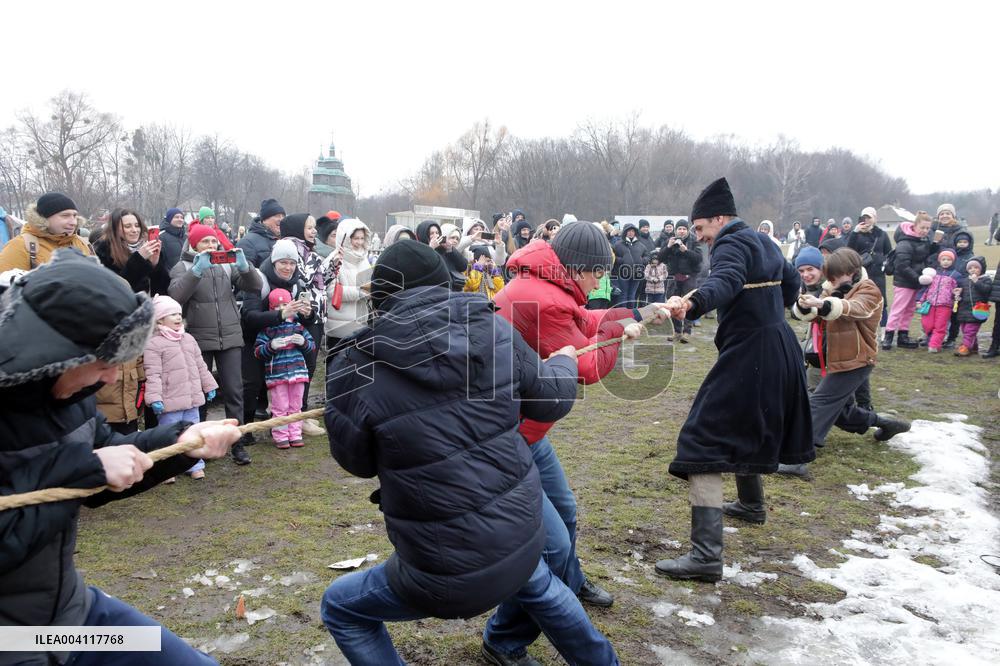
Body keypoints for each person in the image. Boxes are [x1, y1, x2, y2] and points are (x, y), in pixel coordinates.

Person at [320, 240, 619, 666]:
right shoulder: (493, 328)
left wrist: (345, 406)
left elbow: (358, 462)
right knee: (536, 578)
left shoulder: (355, 363)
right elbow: (549, 398)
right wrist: (564, 365)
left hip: (440, 568)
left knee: (340, 607)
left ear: (381, 295)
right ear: (444, 282)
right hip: (515, 532)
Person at [0, 250, 241, 665]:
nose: (112, 376)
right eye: (102, 360)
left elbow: (110, 455)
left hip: (74, 621)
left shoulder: (68, 394)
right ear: (54, 352)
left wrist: (182, 444)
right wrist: (85, 469)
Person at [492, 222, 670, 624]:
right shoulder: (542, 299)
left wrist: (638, 313)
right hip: (511, 434)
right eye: (598, 273)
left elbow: (587, 320)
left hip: (528, 429)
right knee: (546, 545)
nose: (601, 281)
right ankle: (506, 634)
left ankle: (569, 581)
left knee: (565, 509)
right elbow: (584, 366)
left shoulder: (549, 286)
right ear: (575, 268)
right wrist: (622, 336)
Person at [656, 178, 813, 581]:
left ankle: (706, 557)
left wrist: (691, 303)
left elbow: (723, 281)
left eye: (701, 228)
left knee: (701, 438)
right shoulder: (764, 242)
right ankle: (752, 505)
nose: (700, 237)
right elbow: (793, 282)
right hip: (780, 344)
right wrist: (766, 314)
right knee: (748, 422)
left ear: (720, 219)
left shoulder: (730, 243)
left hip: (753, 351)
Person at [778, 248, 910, 477]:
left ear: (850, 271)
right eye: (830, 278)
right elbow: (812, 314)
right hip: (835, 360)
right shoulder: (834, 290)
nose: (832, 281)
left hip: (856, 360)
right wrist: (807, 304)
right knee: (842, 412)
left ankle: (797, 459)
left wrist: (824, 303)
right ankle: (886, 424)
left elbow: (855, 309)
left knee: (819, 402)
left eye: (835, 277)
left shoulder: (869, 290)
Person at [168, 224, 261, 465]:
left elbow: (255, 286)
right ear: (194, 245)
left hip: (230, 335)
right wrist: (196, 271)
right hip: (199, 336)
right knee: (200, 394)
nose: (211, 247)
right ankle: (199, 445)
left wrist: (245, 267)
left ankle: (236, 443)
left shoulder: (226, 264)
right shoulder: (184, 266)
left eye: (213, 242)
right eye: (205, 242)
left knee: (234, 390)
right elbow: (176, 297)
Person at [239, 239, 318, 443]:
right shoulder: (259, 280)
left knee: (293, 382)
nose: (288, 267)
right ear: (274, 262)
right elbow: (248, 317)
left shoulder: (297, 283)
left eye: (292, 263)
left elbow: (302, 320)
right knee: (252, 383)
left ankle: (291, 426)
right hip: (253, 337)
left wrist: (307, 314)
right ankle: (245, 429)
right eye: (283, 262)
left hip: (285, 343)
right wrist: (280, 315)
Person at [144, 295, 218, 481]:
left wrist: (209, 385)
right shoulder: (153, 344)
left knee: (193, 432)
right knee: (168, 436)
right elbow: (152, 374)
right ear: (160, 319)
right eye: (172, 314)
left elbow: (201, 365)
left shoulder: (189, 339)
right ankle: (167, 469)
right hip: (170, 400)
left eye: (179, 313)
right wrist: (155, 399)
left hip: (192, 399)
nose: (178, 317)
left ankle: (195, 465)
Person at [254, 288, 316, 447]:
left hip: (298, 372)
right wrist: (271, 346)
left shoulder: (298, 326)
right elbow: (258, 352)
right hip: (277, 375)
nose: (282, 308)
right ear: (271, 309)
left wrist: (303, 342)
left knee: (296, 405)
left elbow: (312, 347)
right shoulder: (267, 329)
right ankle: (281, 436)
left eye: (285, 304)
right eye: (277, 306)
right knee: (280, 406)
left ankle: (295, 434)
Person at [279, 214, 326, 420]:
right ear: (298, 229)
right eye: (309, 227)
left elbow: (320, 283)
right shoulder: (290, 250)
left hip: (315, 314)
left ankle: (302, 412)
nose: (314, 231)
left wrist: (332, 267)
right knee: (298, 366)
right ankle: (293, 413)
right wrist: (317, 261)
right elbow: (302, 278)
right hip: (297, 315)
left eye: (314, 227)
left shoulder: (311, 252)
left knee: (311, 364)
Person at [883, 211, 937, 351]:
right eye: (922, 227)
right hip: (904, 282)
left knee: (910, 310)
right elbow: (902, 266)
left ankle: (903, 336)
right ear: (915, 225)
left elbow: (923, 259)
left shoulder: (923, 241)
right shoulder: (905, 243)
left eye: (927, 228)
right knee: (898, 309)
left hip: (917, 282)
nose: (925, 231)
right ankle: (888, 336)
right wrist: (917, 278)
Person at [0, 192, 92, 271]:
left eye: (74, 215)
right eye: (65, 216)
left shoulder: (82, 243)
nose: (73, 222)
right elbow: (5, 287)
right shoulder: (20, 246)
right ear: (44, 218)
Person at [323, 219, 372, 359]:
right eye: (355, 238)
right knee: (337, 368)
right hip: (339, 328)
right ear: (345, 238)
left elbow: (367, 283)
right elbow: (331, 291)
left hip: (360, 323)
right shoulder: (335, 260)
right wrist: (362, 292)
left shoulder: (363, 259)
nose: (359, 242)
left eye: (362, 238)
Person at [93, 208, 169, 295]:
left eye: (137, 225)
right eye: (127, 226)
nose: (134, 230)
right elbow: (115, 288)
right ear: (115, 229)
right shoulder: (104, 250)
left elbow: (162, 288)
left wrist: (155, 265)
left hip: (149, 303)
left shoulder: (148, 246)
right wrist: (139, 259)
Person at [846, 207, 892, 336]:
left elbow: (889, 252)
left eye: (869, 217)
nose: (866, 220)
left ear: (875, 219)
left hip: (878, 273)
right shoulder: (856, 234)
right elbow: (848, 251)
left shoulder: (882, 234)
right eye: (864, 217)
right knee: (861, 300)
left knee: (881, 301)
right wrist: (855, 232)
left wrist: (885, 263)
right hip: (861, 273)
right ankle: (863, 329)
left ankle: (883, 331)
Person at [658, 221, 702, 343]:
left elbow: (699, 259)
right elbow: (660, 258)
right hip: (673, 277)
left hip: (689, 277)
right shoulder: (670, 240)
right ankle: (677, 331)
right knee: (673, 305)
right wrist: (668, 247)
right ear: (676, 230)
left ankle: (687, 332)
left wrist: (686, 251)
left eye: (684, 229)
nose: (681, 231)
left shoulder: (694, 241)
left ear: (687, 230)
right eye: (679, 229)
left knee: (687, 304)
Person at [917, 250, 961, 353]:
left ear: (953, 261)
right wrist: (919, 300)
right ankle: (931, 337)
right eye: (943, 259)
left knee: (940, 326)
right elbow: (925, 288)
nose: (946, 262)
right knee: (927, 324)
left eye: (949, 259)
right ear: (939, 261)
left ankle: (934, 345)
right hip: (930, 303)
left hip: (945, 305)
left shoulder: (957, 275)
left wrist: (957, 297)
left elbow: (959, 290)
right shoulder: (933, 273)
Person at [953, 257, 992, 357]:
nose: (973, 270)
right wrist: (957, 295)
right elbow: (962, 295)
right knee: (965, 329)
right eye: (970, 268)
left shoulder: (986, 279)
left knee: (970, 331)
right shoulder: (965, 281)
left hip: (978, 310)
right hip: (963, 310)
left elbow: (986, 291)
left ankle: (965, 347)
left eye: (976, 267)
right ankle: (974, 347)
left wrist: (977, 282)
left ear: (981, 269)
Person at [237, 198, 285, 268]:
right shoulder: (247, 242)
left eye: (283, 216)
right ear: (264, 219)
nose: (281, 220)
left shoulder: (286, 240)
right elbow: (244, 275)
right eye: (277, 216)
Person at [612, 223, 648, 306]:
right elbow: (613, 256)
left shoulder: (641, 245)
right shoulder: (618, 244)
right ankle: (622, 315)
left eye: (632, 231)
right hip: (623, 274)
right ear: (625, 232)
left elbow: (647, 256)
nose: (631, 233)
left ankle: (631, 315)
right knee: (623, 295)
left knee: (632, 295)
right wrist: (621, 260)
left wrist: (642, 260)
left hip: (637, 274)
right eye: (628, 231)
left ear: (635, 232)